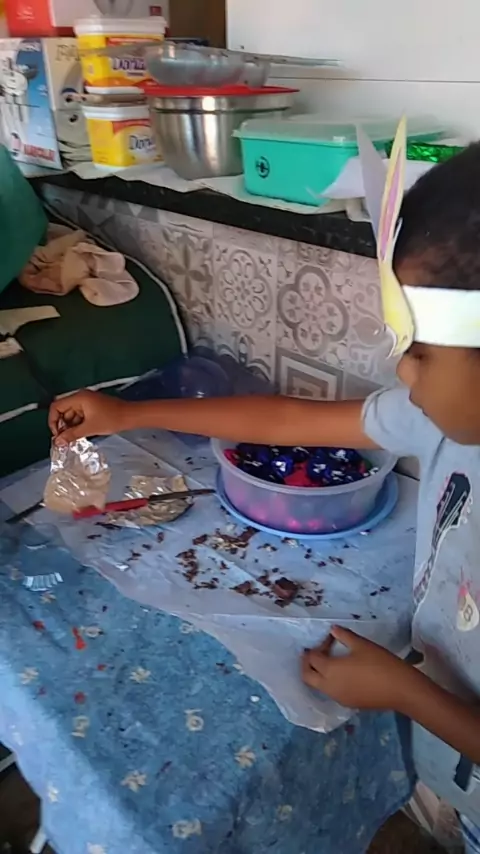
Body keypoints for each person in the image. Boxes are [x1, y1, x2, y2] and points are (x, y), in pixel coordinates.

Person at [49, 144, 480, 853]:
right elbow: (285, 421)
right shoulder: (437, 418)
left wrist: (406, 693)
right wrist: (127, 414)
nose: (403, 368)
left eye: (424, 351)